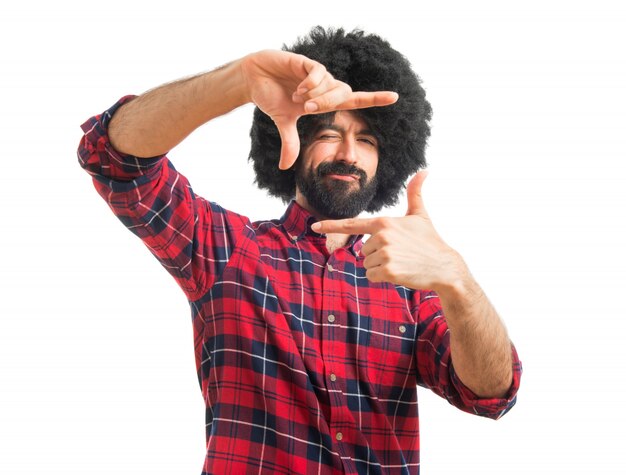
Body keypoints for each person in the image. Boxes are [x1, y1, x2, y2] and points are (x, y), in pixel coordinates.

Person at [78, 26, 521, 475]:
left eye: (366, 140)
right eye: (328, 133)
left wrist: (457, 279)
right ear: (291, 140)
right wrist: (236, 81)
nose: (348, 153)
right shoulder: (227, 251)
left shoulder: (409, 287)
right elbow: (113, 159)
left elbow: (490, 393)